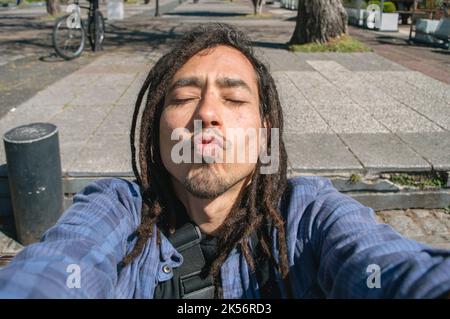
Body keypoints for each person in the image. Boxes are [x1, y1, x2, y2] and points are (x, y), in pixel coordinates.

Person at [0, 23, 449, 299]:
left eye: (234, 98)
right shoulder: (118, 208)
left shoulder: (306, 215)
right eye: (185, 96)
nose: (206, 113)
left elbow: (383, 262)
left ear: (264, 129)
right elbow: (60, 266)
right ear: (157, 129)